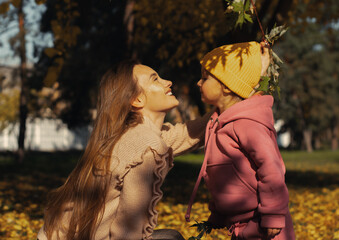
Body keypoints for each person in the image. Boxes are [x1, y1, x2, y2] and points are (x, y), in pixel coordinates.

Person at [37, 61, 211, 240]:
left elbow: (187, 134)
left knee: (172, 236)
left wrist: (229, 106)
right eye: (155, 79)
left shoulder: (135, 134)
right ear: (137, 100)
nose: (168, 82)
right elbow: (128, 232)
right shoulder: (146, 145)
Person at [185, 41, 296, 240]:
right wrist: (219, 211)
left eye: (204, 78)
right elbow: (221, 173)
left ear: (227, 87)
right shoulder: (218, 123)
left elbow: (271, 168)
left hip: (264, 226)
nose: (198, 83)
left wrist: (273, 213)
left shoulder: (247, 124)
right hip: (239, 226)